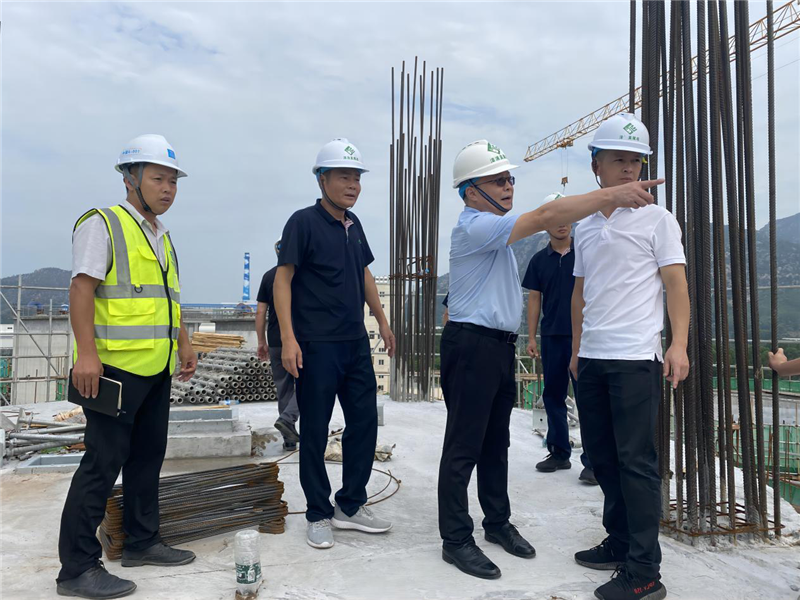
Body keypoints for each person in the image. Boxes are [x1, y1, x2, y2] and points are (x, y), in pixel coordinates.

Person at [438, 139, 662, 580]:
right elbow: (545, 217)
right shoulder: (475, 226)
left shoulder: (496, 230)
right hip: (471, 346)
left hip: (498, 346)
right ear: (470, 192)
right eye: (497, 181)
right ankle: (456, 539)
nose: (508, 186)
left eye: (509, 178)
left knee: (495, 443)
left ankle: (497, 522)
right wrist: (612, 195)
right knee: (464, 445)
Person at [57, 134, 198, 599]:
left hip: (155, 369)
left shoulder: (161, 235)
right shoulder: (103, 224)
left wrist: (184, 343)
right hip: (113, 370)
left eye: (173, 181)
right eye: (158, 179)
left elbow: (167, 300)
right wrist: (87, 355)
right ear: (130, 178)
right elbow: (81, 289)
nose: (168, 189)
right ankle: (77, 568)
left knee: (147, 458)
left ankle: (142, 541)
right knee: (101, 465)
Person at [569, 113, 690, 600]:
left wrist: (678, 344)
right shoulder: (583, 225)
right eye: (618, 159)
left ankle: (644, 572)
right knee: (602, 457)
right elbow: (580, 293)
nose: (628, 169)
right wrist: (576, 348)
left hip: (636, 356)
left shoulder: (659, 220)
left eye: (635, 161)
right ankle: (619, 541)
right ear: (595, 165)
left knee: (635, 462)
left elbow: (676, 284)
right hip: (593, 357)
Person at [274, 138, 396, 550]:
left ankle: (350, 505)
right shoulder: (302, 222)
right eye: (344, 176)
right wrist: (288, 338)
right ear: (322, 179)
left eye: (357, 177)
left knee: (364, 423)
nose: (353, 185)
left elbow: (364, 274)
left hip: (354, 343)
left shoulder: (353, 224)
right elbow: (283, 279)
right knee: (314, 429)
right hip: (316, 344)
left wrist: (382, 320)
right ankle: (317, 513)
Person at [522, 193, 596, 485]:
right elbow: (534, 300)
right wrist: (531, 337)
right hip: (553, 334)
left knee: (587, 397)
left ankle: (593, 461)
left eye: (567, 218)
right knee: (553, 394)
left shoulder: (586, 252)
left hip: (586, 335)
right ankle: (559, 452)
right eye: (556, 218)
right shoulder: (539, 260)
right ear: (546, 224)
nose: (562, 224)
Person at [255, 239, 300, 451]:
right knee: (309, 384)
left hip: (275, 340)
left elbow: (260, 312)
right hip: (301, 339)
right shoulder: (304, 274)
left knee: (284, 389)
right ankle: (288, 419)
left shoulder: (268, 276)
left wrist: (261, 341)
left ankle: (289, 439)